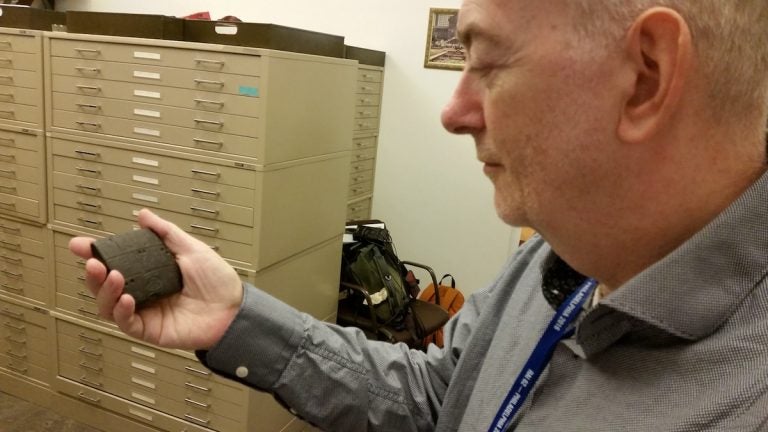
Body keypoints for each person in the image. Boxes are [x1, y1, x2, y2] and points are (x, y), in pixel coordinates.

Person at [69, 0, 768, 430]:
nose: (453, 110)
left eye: (488, 63)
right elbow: (440, 401)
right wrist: (234, 318)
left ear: (645, 73)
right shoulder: (564, 256)